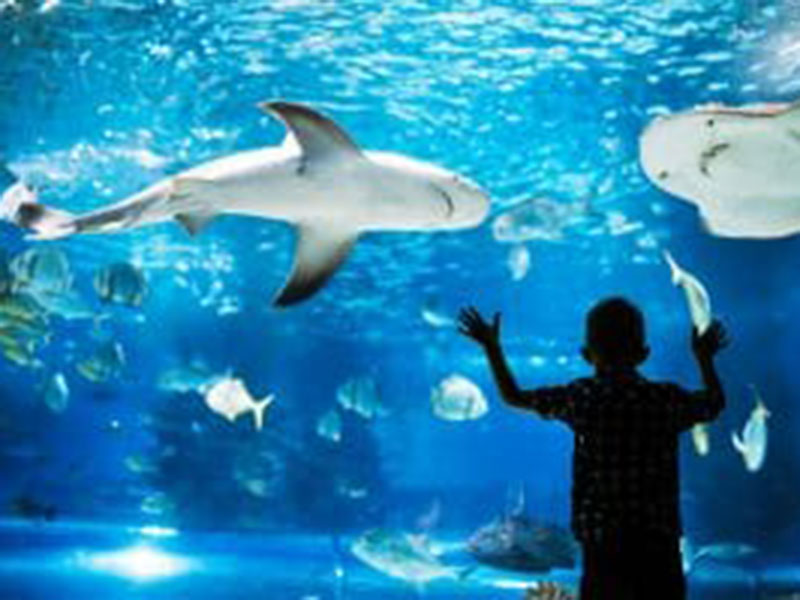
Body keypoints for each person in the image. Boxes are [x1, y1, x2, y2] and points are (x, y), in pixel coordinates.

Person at [458, 297, 728, 600]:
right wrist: (705, 358)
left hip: (603, 543)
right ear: (643, 354)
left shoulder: (582, 397)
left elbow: (513, 396)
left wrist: (492, 347)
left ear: (587, 354)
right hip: (657, 541)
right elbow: (714, 403)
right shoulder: (664, 399)